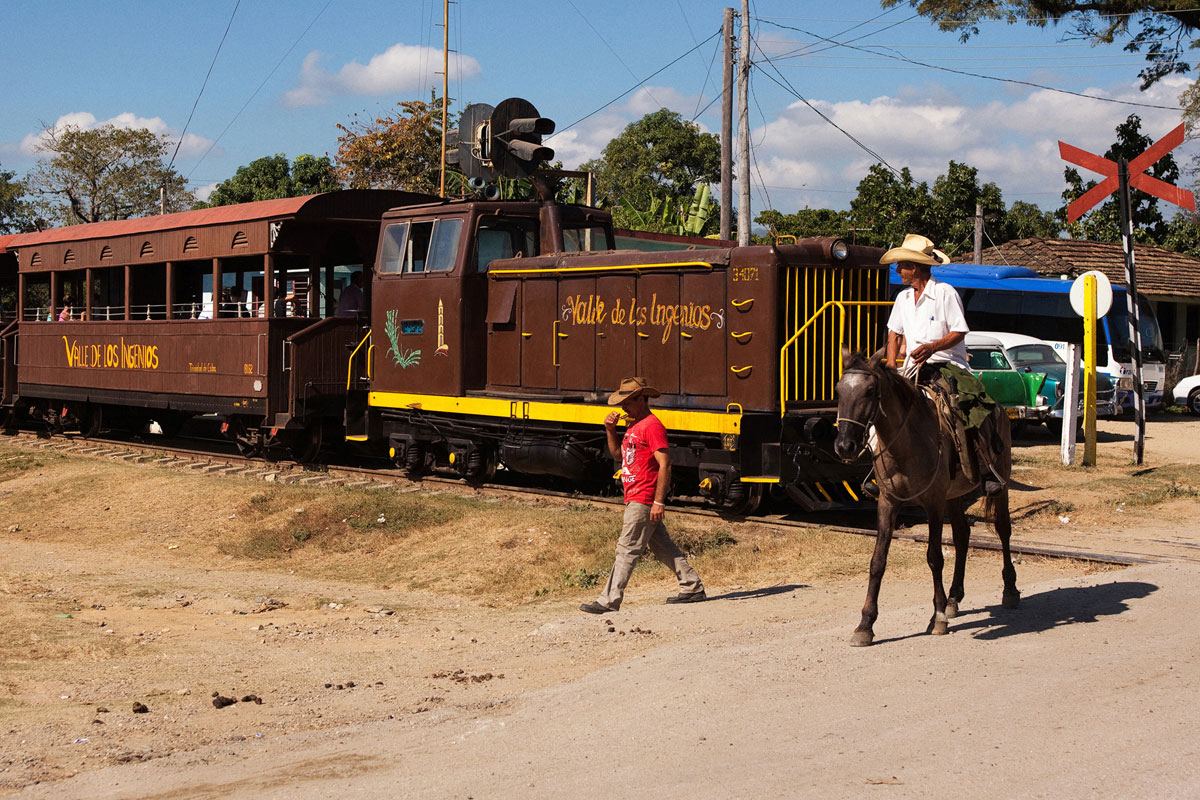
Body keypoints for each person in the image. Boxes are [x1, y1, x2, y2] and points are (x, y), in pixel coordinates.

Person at [881, 233, 1002, 495]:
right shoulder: (902, 298)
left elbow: (959, 332)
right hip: (910, 369)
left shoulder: (945, 293)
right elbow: (894, 334)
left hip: (947, 366)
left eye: (901, 265)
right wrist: (891, 367)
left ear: (914, 267)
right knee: (879, 407)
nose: (898, 270)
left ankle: (985, 468)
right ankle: (878, 471)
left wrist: (933, 347)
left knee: (964, 410)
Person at [579, 376, 706, 614]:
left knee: (626, 549)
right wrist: (610, 431)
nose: (623, 407)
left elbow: (665, 463)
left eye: (627, 402)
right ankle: (692, 586)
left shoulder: (652, 426)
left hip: (644, 497)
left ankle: (608, 600)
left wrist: (658, 501)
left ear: (642, 399)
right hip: (636, 495)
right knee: (663, 547)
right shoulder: (633, 425)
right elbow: (619, 455)